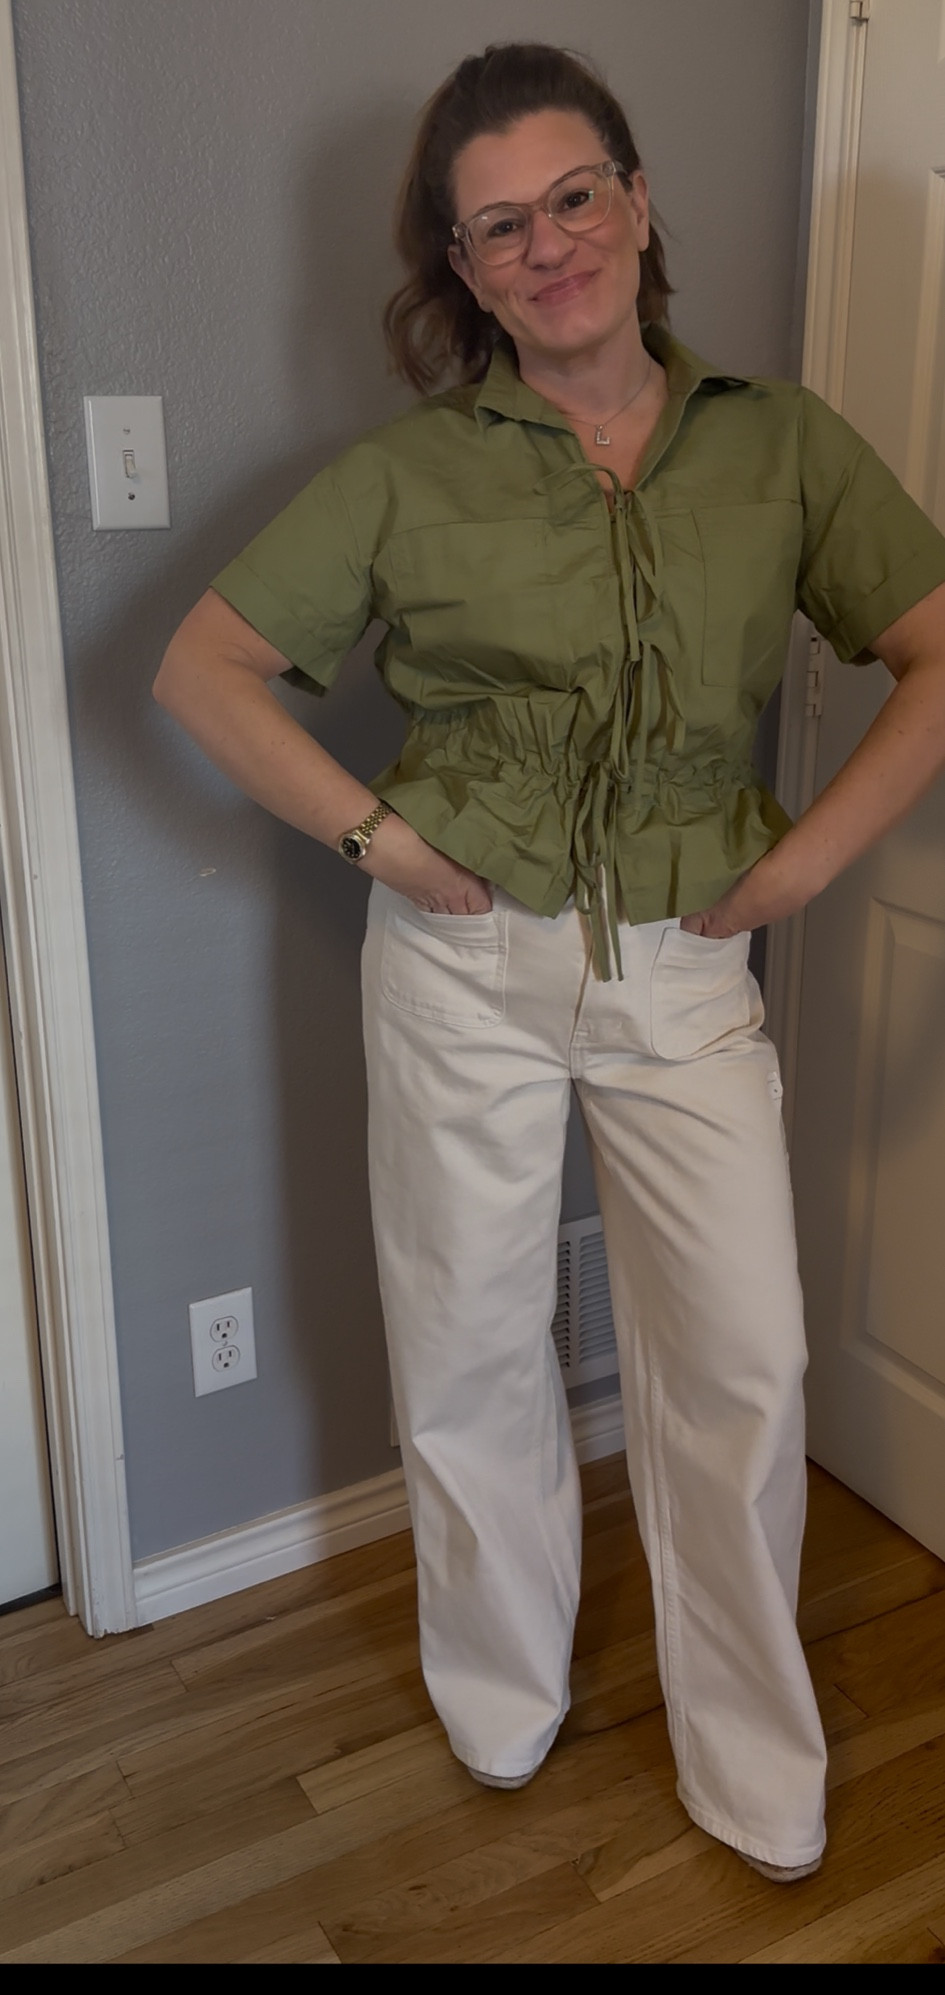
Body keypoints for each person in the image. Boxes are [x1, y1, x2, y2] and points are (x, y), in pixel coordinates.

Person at [154, 43, 945, 1882]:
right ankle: (499, 1696)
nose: (547, 243)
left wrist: (805, 864)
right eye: (497, 224)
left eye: (573, 195)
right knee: (468, 1350)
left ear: (639, 201)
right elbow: (198, 671)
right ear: (462, 265)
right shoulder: (410, 473)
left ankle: (751, 1766)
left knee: (741, 1365)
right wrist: (376, 837)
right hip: (463, 969)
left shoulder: (781, 443)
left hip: (685, 973)